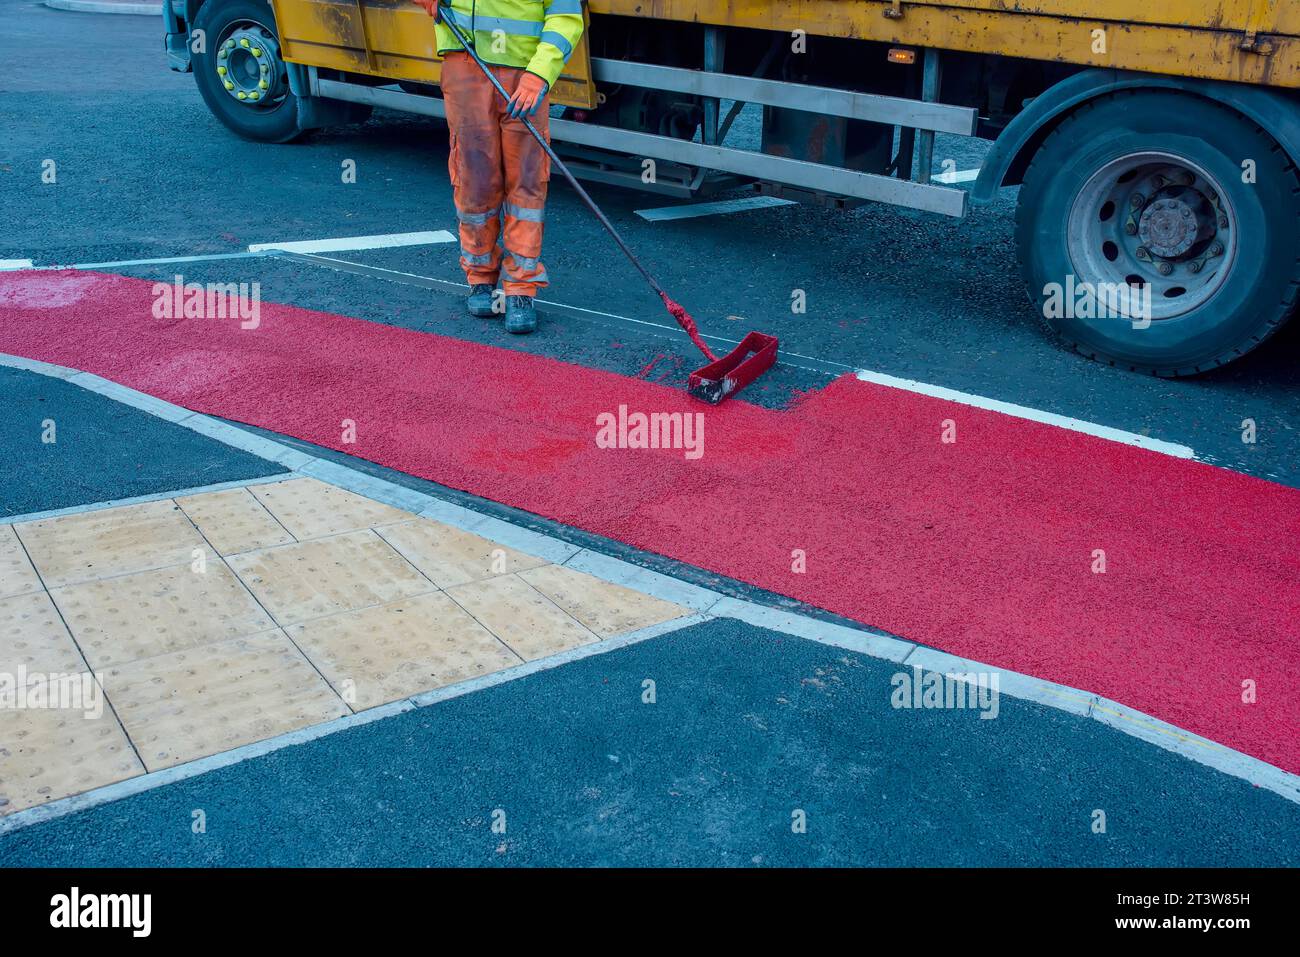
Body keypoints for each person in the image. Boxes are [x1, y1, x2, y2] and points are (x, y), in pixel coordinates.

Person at [412, 0, 585, 334]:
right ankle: (481, 277)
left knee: (527, 181)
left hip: (525, 73)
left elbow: (566, 16)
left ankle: (521, 288)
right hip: (465, 62)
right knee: (475, 178)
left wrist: (539, 74)